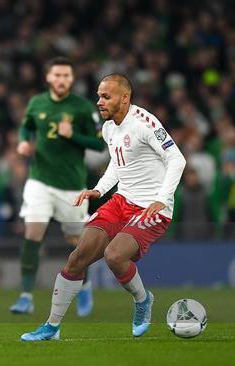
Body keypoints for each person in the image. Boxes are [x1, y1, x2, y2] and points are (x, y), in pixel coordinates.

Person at [21, 73, 186, 340]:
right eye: (98, 95)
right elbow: (117, 163)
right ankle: (51, 327)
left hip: (151, 209)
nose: (99, 101)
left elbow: (177, 159)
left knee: (114, 256)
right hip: (121, 201)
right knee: (77, 257)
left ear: (125, 97)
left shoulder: (145, 123)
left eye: (105, 97)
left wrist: (163, 198)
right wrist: (99, 189)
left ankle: (143, 301)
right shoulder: (109, 127)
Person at [11, 57, 104, 316]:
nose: (61, 80)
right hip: (39, 179)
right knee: (33, 232)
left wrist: (71, 135)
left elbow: (99, 144)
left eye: (66, 76)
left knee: (75, 240)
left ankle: (85, 288)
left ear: (71, 80)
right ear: (49, 78)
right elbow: (26, 127)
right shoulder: (37, 103)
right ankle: (26, 296)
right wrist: (22, 142)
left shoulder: (84, 108)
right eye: (57, 75)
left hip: (72, 185)